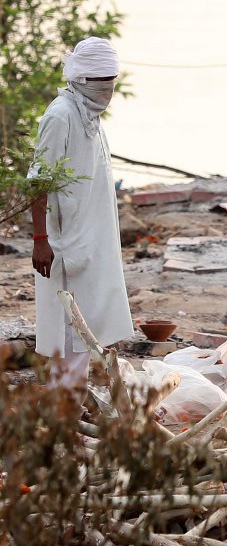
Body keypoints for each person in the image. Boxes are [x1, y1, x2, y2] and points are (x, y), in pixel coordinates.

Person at [29, 37, 133, 393]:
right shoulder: (61, 116)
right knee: (68, 333)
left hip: (94, 240)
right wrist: (40, 240)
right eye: (102, 83)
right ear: (81, 79)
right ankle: (63, 418)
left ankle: (68, 410)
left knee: (88, 328)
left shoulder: (91, 117)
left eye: (112, 82)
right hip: (65, 242)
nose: (108, 90)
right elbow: (39, 181)